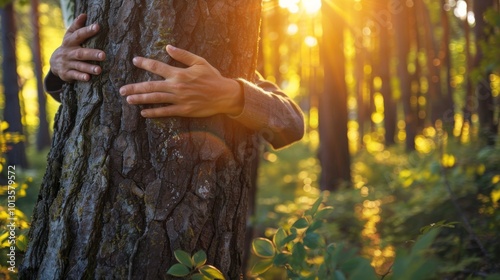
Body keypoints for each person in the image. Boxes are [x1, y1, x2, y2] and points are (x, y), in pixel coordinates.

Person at [46, 14, 304, 149]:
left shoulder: (228, 55)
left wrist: (231, 94)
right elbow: (78, 100)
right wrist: (57, 66)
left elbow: (292, 124)